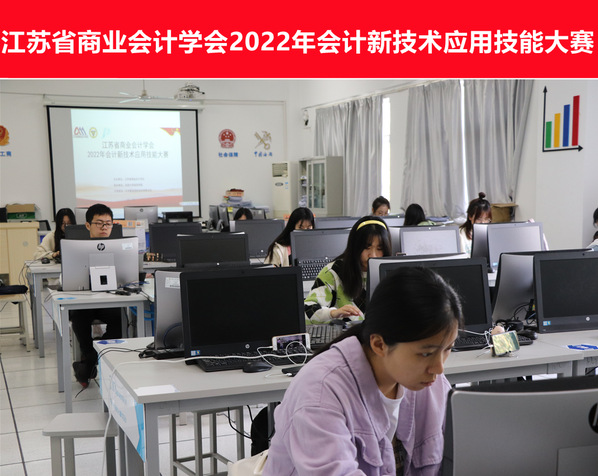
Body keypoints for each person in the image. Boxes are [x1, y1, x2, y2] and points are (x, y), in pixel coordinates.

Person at [263, 267, 463, 476]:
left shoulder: (430, 384)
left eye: (447, 349)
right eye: (426, 353)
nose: (439, 368)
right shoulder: (320, 392)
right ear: (379, 344)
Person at [70, 203, 124, 387]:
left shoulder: (120, 248)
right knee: (79, 319)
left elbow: (127, 274)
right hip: (84, 300)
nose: (104, 227)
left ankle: (88, 362)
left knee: (122, 320)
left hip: (110, 300)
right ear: (88, 225)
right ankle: (92, 357)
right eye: (99, 223)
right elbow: (68, 277)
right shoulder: (76, 248)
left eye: (108, 223)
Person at [305, 216, 391, 323]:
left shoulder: (389, 273)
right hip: (346, 332)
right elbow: (307, 311)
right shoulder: (333, 271)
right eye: (366, 247)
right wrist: (332, 313)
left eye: (379, 248)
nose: (373, 255)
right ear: (355, 246)